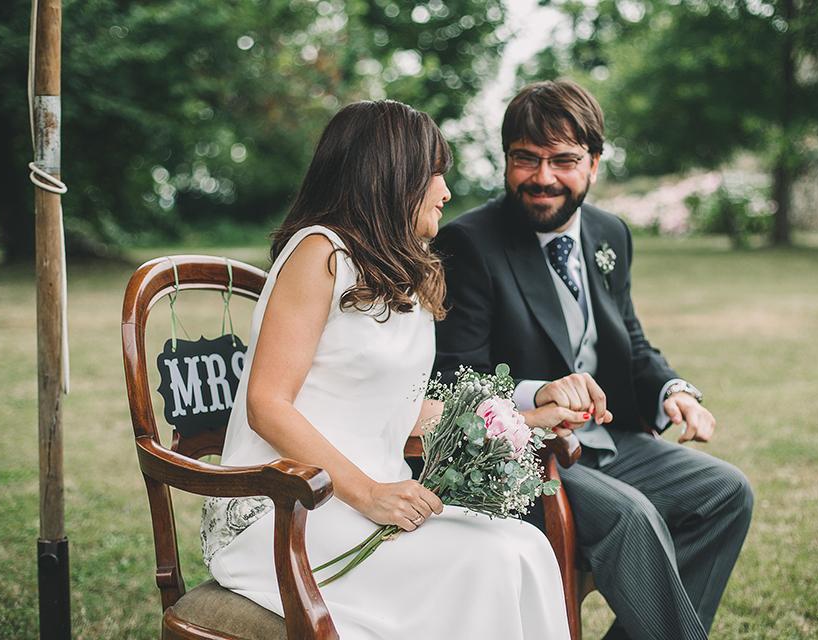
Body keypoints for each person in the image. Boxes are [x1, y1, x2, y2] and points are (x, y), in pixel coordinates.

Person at [200, 100, 572, 640]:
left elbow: (402, 410)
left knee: (525, 547)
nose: (446, 192)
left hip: (373, 497)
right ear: (392, 175)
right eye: (434, 174)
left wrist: (527, 418)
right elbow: (266, 404)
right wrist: (368, 492)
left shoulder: (401, 271)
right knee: (485, 563)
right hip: (287, 509)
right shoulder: (319, 253)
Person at [434, 80, 753, 640]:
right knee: (633, 518)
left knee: (725, 492)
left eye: (563, 160)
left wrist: (671, 389)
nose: (543, 177)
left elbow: (627, 334)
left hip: (608, 439)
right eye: (525, 159)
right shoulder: (469, 242)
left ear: (595, 164)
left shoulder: (609, 233)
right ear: (506, 160)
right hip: (522, 454)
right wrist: (537, 393)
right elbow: (455, 375)